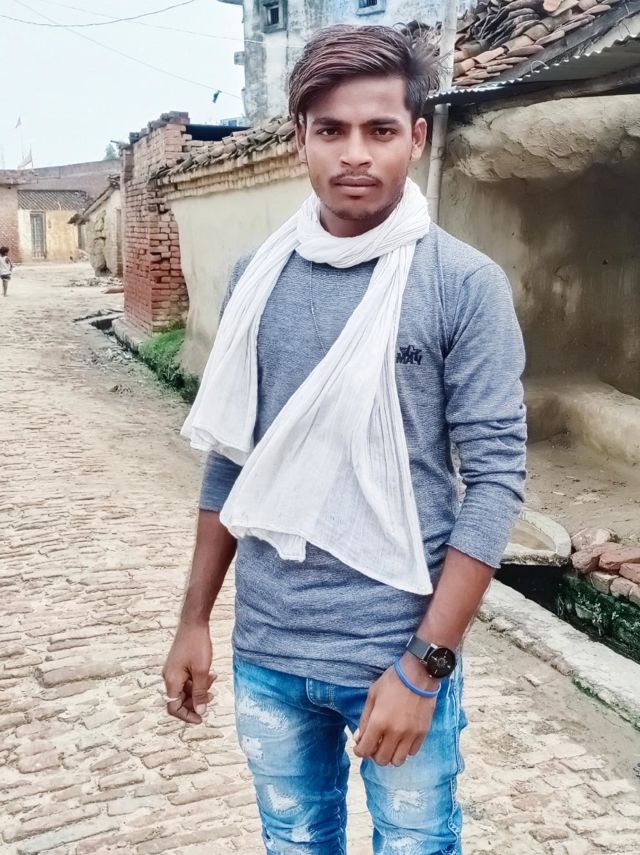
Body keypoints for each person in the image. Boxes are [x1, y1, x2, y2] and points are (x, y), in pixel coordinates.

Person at [163, 23, 527, 855]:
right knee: (293, 843)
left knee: (415, 845)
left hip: (394, 651)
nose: (355, 153)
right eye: (331, 129)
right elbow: (233, 458)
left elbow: (497, 481)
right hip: (268, 647)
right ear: (300, 138)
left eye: (380, 129)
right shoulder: (257, 276)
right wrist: (194, 619)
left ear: (417, 137)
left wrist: (425, 666)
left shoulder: (461, 285)